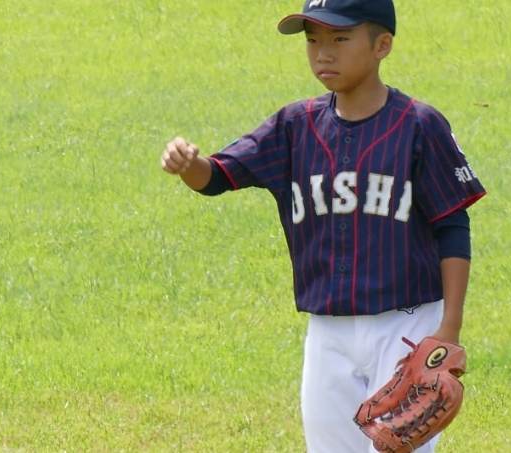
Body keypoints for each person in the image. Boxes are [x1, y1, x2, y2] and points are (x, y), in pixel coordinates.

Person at [159, 0, 486, 451]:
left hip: (407, 324)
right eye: (313, 40)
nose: (323, 53)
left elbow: (452, 225)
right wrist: (188, 164)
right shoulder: (294, 127)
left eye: (340, 38)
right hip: (327, 329)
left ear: (382, 45)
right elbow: (216, 178)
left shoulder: (418, 126)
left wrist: (448, 328)